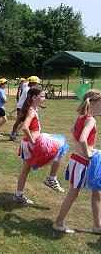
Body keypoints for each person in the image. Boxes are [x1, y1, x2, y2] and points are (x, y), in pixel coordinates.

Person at [53, 90, 101, 234]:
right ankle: (58, 223)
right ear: (92, 103)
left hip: (77, 158)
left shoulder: (81, 116)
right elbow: (82, 139)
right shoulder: (91, 119)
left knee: (96, 192)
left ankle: (97, 226)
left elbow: (73, 131)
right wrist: (89, 156)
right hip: (84, 160)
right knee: (74, 192)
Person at [13, 86, 65, 205]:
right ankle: (51, 179)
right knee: (59, 150)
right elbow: (25, 127)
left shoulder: (32, 109)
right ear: (34, 97)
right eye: (42, 96)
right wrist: (33, 141)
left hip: (26, 143)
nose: (44, 98)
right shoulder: (31, 111)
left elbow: (23, 126)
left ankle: (18, 194)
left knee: (25, 170)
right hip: (31, 143)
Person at [9, 76, 40, 141]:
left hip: (23, 107)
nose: (36, 84)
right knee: (19, 122)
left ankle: (14, 134)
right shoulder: (27, 89)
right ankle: (13, 135)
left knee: (21, 122)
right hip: (22, 107)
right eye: (36, 83)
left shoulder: (27, 87)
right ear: (32, 83)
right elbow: (28, 100)